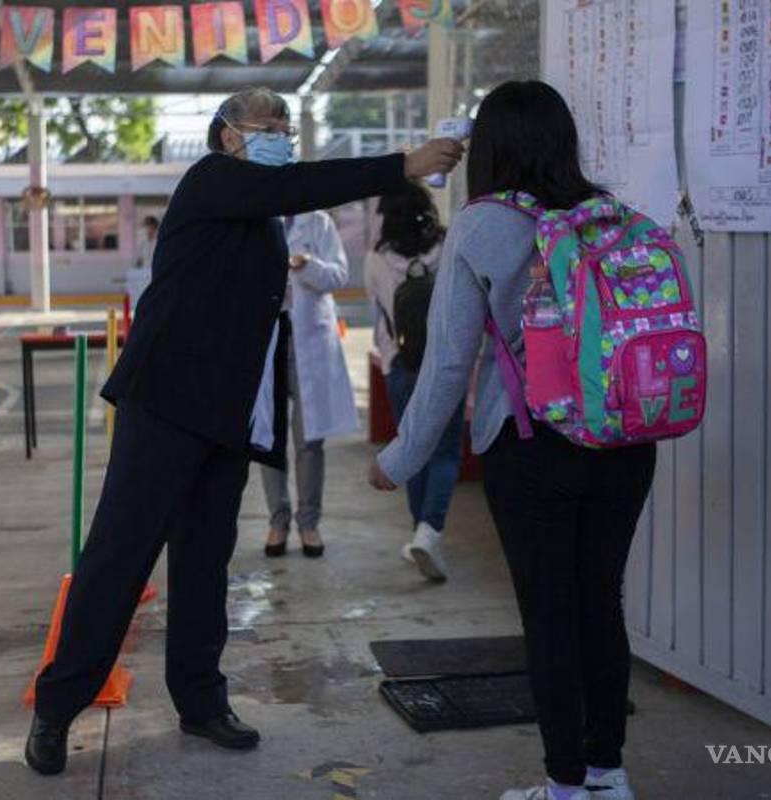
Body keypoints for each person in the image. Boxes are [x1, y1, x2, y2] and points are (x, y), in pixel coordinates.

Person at [24, 87, 463, 776]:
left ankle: (201, 701)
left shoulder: (262, 212)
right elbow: (301, 182)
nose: (283, 136)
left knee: (204, 562)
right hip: (167, 403)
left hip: (224, 414)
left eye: (287, 127)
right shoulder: (214, 181)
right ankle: (56, 708)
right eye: (270, 126)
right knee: (120, 555)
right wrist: (401, 163)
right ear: (228, 136)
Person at [368, 81, 654, 800]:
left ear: (490, 147)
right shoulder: (611, 213)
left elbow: (447, 362)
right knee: (601, 605)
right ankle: (606, 776)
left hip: (532, 447)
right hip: (624, 441)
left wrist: (398, 459)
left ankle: (562, 787)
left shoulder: (484, 223)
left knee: (549, 617)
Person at [364, 183, 460, 582]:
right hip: (442, 365)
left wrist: (389, 363)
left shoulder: (377, 259)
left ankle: (418, 529)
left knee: (412, 448)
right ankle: (429, 530)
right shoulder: (446, 247)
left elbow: (379, 320)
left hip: (401, 365)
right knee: (445, 451)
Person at [260, 210, 358, 559]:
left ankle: (308, 523)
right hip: (268, 337)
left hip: (310, 338)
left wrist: (307, 265)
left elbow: (339, 275)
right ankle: (278, 521)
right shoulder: (258, 218)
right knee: (267, 439)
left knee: (309, 439)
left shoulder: (319, 222)